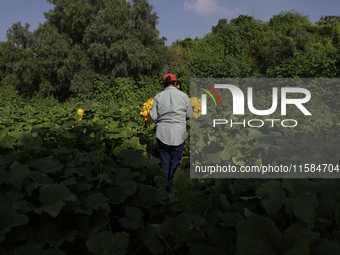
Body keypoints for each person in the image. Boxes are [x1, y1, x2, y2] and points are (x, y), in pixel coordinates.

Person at [150, 74, 193, 188]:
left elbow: (153, 117)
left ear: (163, 84)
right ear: (175, 83)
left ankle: (164, 187)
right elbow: (189, 115)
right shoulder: (184, 96)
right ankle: (173, 187)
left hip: (162, 133)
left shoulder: (158, 96)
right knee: (175, 161)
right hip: (179, 133)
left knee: (164, 160)